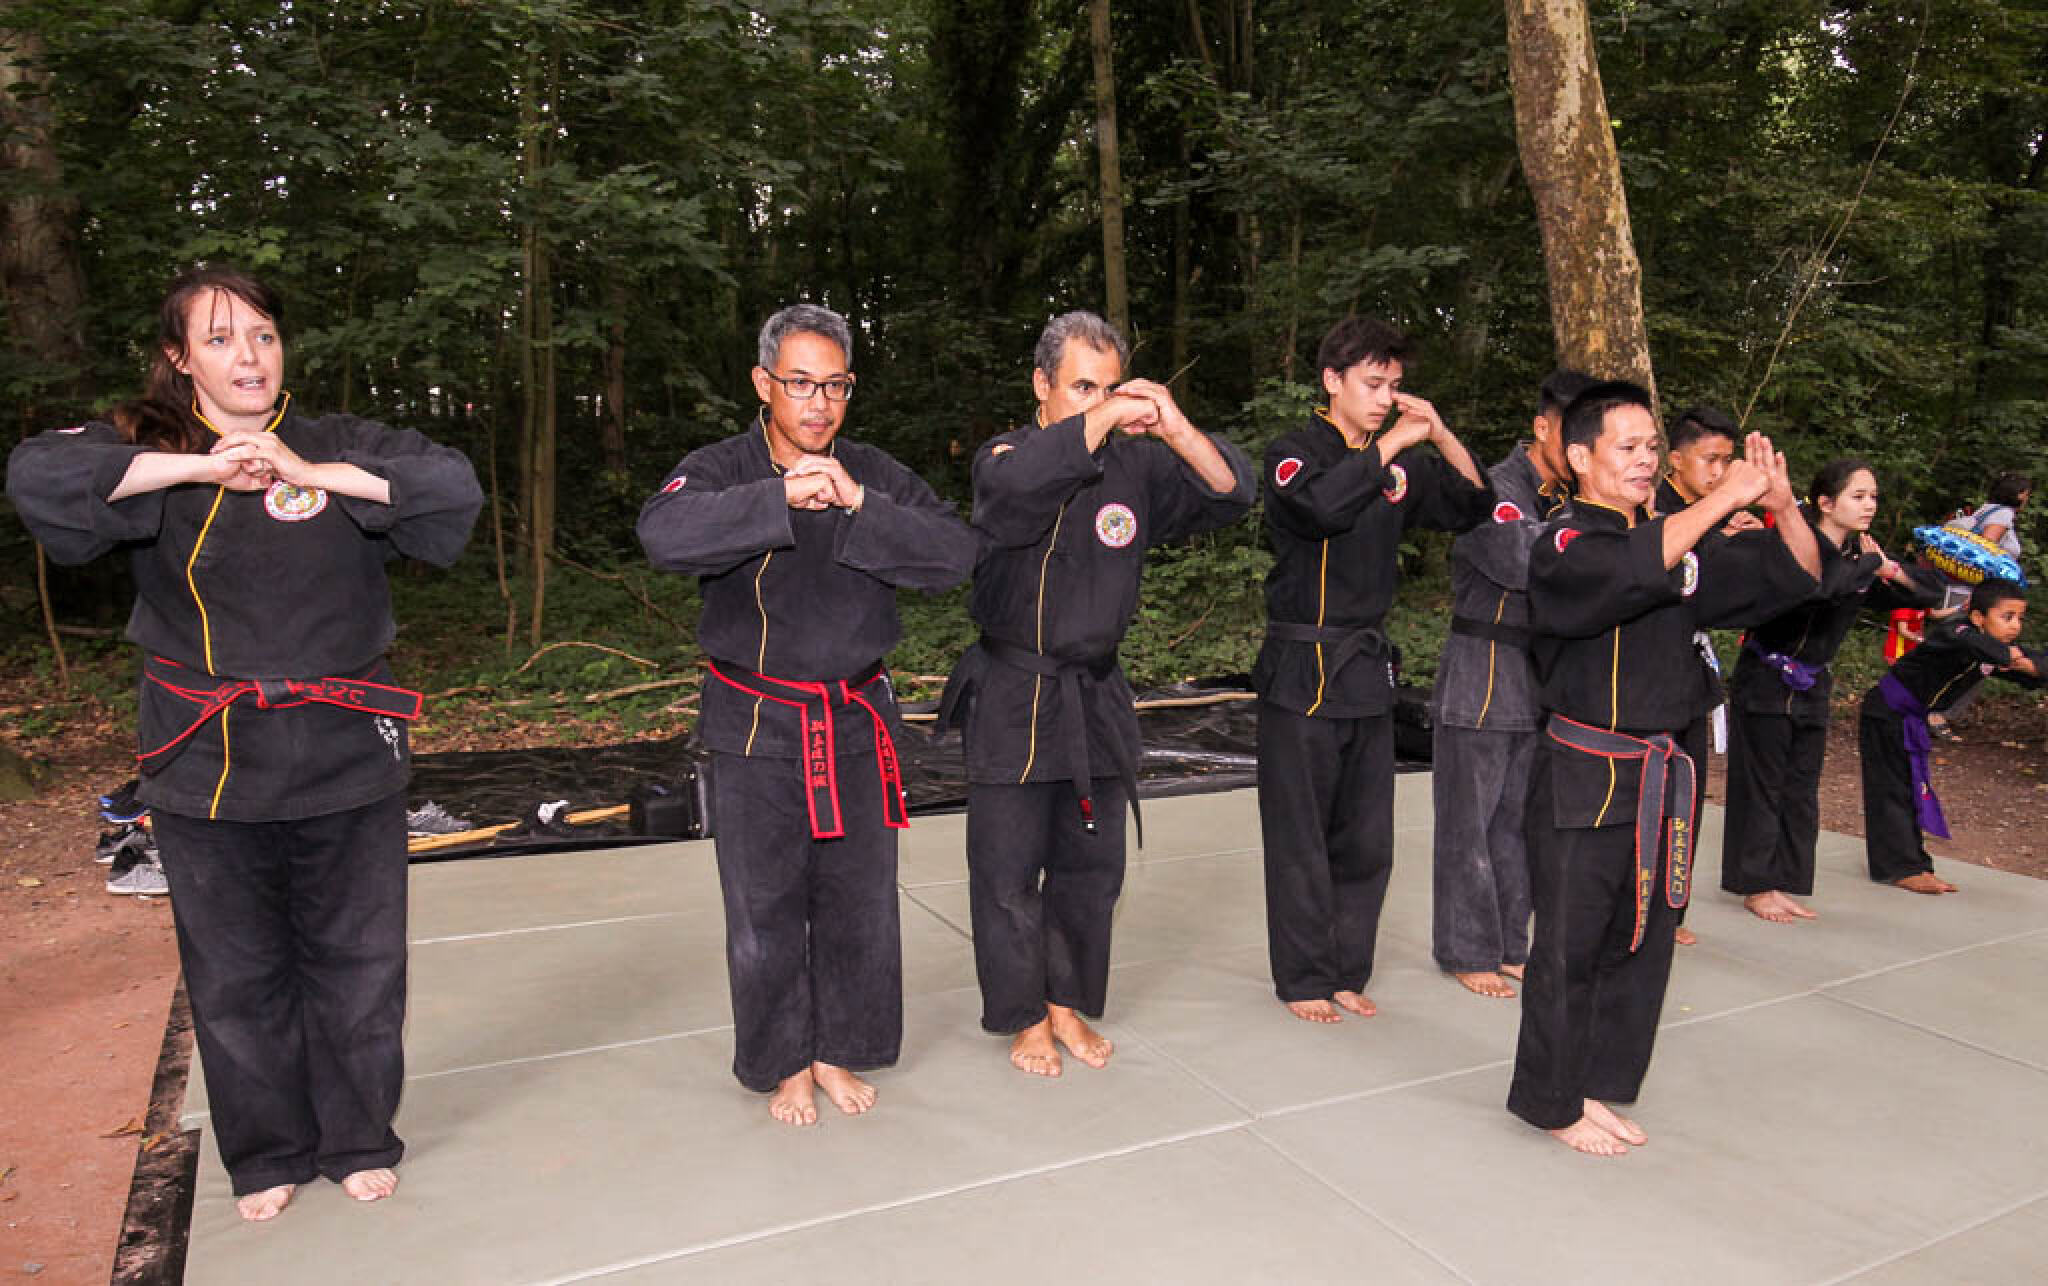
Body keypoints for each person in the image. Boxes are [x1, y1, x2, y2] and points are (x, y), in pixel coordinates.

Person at [6, 266, 483, 1221]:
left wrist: (306, 472)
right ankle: (265, 1153)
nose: (249, 356)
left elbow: (447, 488)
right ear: (180, 359)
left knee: (359, 963)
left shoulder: (337, 440)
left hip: (346, 745)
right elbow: (39, 477)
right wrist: (200, 467)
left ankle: (357, 1138)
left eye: (263, 335)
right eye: (220, 339)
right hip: (204, 754)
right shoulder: (144, 446)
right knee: (236, 972)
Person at [637, 304, 976, 1126]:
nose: (818, 403)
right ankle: (783, 1061)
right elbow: (664, 534)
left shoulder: (873, 471)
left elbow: (954, 553)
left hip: (857, 718)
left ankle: (837, 1048)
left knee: (861, 900)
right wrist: (777, 499)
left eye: (835, 385)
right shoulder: (721, 468)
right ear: (764, 383)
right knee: (765, 907)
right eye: (799, 383)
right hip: (755, 720)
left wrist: (859, 503)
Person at [1507, 382, 1818, 1157]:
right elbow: (1626, 572)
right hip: (1583, 773)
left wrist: (1782, 506)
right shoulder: (1562, 542)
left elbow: (1795, 577)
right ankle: (1549, 1100)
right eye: (1628, 446)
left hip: (1662, 776)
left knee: (1644, 938)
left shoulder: (1678, 545)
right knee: (1570, 946)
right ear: (1580, 457)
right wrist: (1722, 501)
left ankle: (1596, 1082)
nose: (1646, 460)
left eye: (1652, 446)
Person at [940, 310, 1253, 1076]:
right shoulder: (1004, 456)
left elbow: (1229, 490)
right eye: (1084, 387)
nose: (1103, 402)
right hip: (1014, 690)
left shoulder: (1135, 469)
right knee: (1007, 871)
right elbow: (1017, 492)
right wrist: (1107, 418)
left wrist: (1173, 425)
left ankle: (1065, 1004)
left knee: (1091, 868)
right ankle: (1023, 1016)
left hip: (1096, 694)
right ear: (1041, 385)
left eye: (1112, 387)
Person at [1256, 317, 1493, 1023]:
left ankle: (1345, 970)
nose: (1387, 398)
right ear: (1332, 381)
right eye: (1373, 383)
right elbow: (1320, 510)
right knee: (1301, 837)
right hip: (1301, 666)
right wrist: (1390, 446)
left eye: (1394, 385)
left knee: (1365, 839)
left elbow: (1474, 505)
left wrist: (1439, 435)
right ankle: (1304, 977)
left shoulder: (1401, 466)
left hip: (1365, 669)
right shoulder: (1294, 453)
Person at [1720, 459, 1944, 921]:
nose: (1870, 505)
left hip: (1813, 686)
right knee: (1761, 787)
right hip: (1766, 679)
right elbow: (1823, 586)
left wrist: (1891, 570)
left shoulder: (1859, 558)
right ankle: (1755, 884)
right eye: (1858, 496)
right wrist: (1871, 564)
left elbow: (1928, 593)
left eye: (1873, 497)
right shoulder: (1793, 545)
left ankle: (1787, 879)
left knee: (1801, 788)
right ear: (1825, 502)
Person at [1429, 368, 1592, 998]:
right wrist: (1589, 533)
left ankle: (1511, 944)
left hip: (1540, 678)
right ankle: (1467, 948)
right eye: (1572, 433)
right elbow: (1524, 560)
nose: (1581, 449)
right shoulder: (1492, 487)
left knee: (1521, 824)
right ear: (1542, 427)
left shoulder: (1568, 501)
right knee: (1468, 824)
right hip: (1482, 672)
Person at [1859, 577, 2042, 894]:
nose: (2015, 625)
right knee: (1892, 789)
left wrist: (2024, 664)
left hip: (1910, 718)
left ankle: (1914, 864)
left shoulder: (1993, 648)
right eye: (2007, 616)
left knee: (1910, 787)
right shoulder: (1955, 633)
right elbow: (1979, 646)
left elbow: (2039, 666)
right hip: (1886, 711)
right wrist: (2015, 659)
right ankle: (1900, 868)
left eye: (2020, 618)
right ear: (1978, 617)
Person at [1653, 406, 1758, 947]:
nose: (1718, 472)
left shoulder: (1718, 515)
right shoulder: (1655, 510)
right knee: (1649, 794)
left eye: (1726, 462)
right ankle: (1642, 904)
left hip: (1692, 673)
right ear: (1675, 460)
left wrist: (1743, 541)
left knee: (1687, 794)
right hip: (1649, 673)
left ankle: (1671, 906)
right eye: (1708, 459)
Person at [1926, 472, 2032, 736]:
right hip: (1978, 597)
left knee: (1956, 650)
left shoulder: (1985, 509)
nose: (2027, 498)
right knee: (1980, 657)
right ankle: (1937, 713)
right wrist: (1986, 593)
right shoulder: (2003, 514)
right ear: (2019, 494)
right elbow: (1984, 551)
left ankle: (1930, 708)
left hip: (1958, 590)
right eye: (2026, 493)